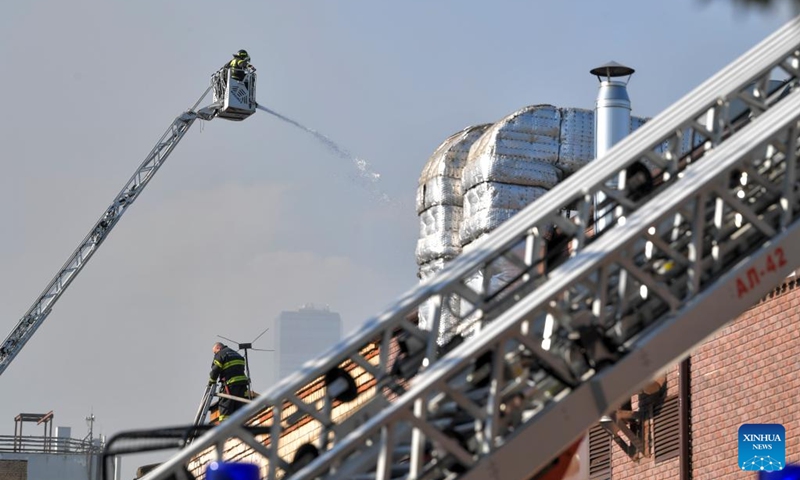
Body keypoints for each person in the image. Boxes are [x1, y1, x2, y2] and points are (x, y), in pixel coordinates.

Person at [208, 342, 250, 422]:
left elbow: (215, 370)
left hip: (230, 386)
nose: (215, 354)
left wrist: (211, 382)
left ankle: (224, 429)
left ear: (218, 348)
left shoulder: (220, 354)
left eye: (215, 352)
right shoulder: (237, 354)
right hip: (242, 386)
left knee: (225, 408)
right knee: (239, 408)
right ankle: (239, 428)